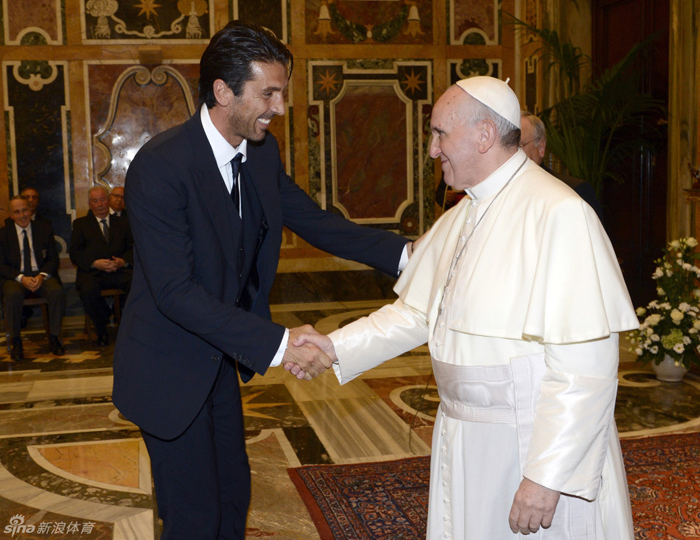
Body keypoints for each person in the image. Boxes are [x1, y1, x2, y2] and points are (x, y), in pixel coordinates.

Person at [292, 77, 639, 539]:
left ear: (484, 135)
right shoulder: (461, 214)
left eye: (440, 133)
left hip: (527, 443)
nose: (433, 150)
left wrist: (547, 476)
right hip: (465, 435)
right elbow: (416, 313)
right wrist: (333, 347)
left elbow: (587, 367)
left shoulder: (559, 212)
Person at [111, 21, 411, 540]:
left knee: (233, 501)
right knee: (194, 519)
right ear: (224, 92)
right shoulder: (160, 167)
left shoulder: (260, 153)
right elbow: (175, 292)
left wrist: (408, 256)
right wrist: (280, 343)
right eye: (268, 92)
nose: (280, 105)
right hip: (165, 371)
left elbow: (315, 221)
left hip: (219, 362)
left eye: (282, 91)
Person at [0, 196, 65, 360]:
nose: (22, 215)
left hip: (41, 275)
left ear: (30, 210)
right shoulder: (3, 234)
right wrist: (21, 278)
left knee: (56, 291)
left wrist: (42, 276)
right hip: (16, 278)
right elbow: (1, 265)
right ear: (11, 215)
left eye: (24, 210)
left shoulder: (44, 229)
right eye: (17, 212)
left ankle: (55, 338)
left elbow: (53, 259)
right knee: (12, 295)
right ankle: (16, 341)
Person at [69, 185, 133, 346]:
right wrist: (94, 263)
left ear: (109, 200)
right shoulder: (80, 224)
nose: (100, 204)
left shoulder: (123, 223)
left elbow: (134, 247)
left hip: (119, 270)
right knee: (88, 289)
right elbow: (75, 253)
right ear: (90, 204)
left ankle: (128, 326)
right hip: (93, 272)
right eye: (95, 201)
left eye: (103, 200)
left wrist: (122, 261)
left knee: (137, 284)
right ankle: (101, 329)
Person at [520, 110, 604, 223]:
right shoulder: (498, 194)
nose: (510, 155)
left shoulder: (574, 191)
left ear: (541, 148)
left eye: (519, 146)